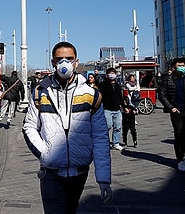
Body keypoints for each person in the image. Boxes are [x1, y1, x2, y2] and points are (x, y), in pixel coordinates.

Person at [22, 42, 112, 213]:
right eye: (59, 59)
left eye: (69, 59)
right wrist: (45, 153)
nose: (65, 63)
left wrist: (103, 179)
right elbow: (29, 126)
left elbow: (100, 136)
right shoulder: (40, 92)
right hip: (51, 173)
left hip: (79, 172)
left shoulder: (91, 95)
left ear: (76, 62)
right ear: (53, 62)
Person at [158, 57, 185, 172]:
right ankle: (179, 159)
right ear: (174, 67)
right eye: (179, 65)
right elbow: (161, 95)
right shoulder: (168, 80)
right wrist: (171, 107)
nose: (182, 67)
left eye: (183, 65)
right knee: (178, 134)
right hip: (176, 111)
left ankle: (182, 156)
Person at [97, 67, 127, 151]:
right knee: (107, 126)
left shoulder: (118, 85)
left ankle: (116, 143)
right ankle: (104, 142)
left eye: (113, 73)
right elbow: (98, 94)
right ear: (107, 75)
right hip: (107, 109)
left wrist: (124, 107)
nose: (112, 75)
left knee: (118, 127)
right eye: (110, 73)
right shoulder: (103, 85)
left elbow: (120, 97)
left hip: (117, 109)